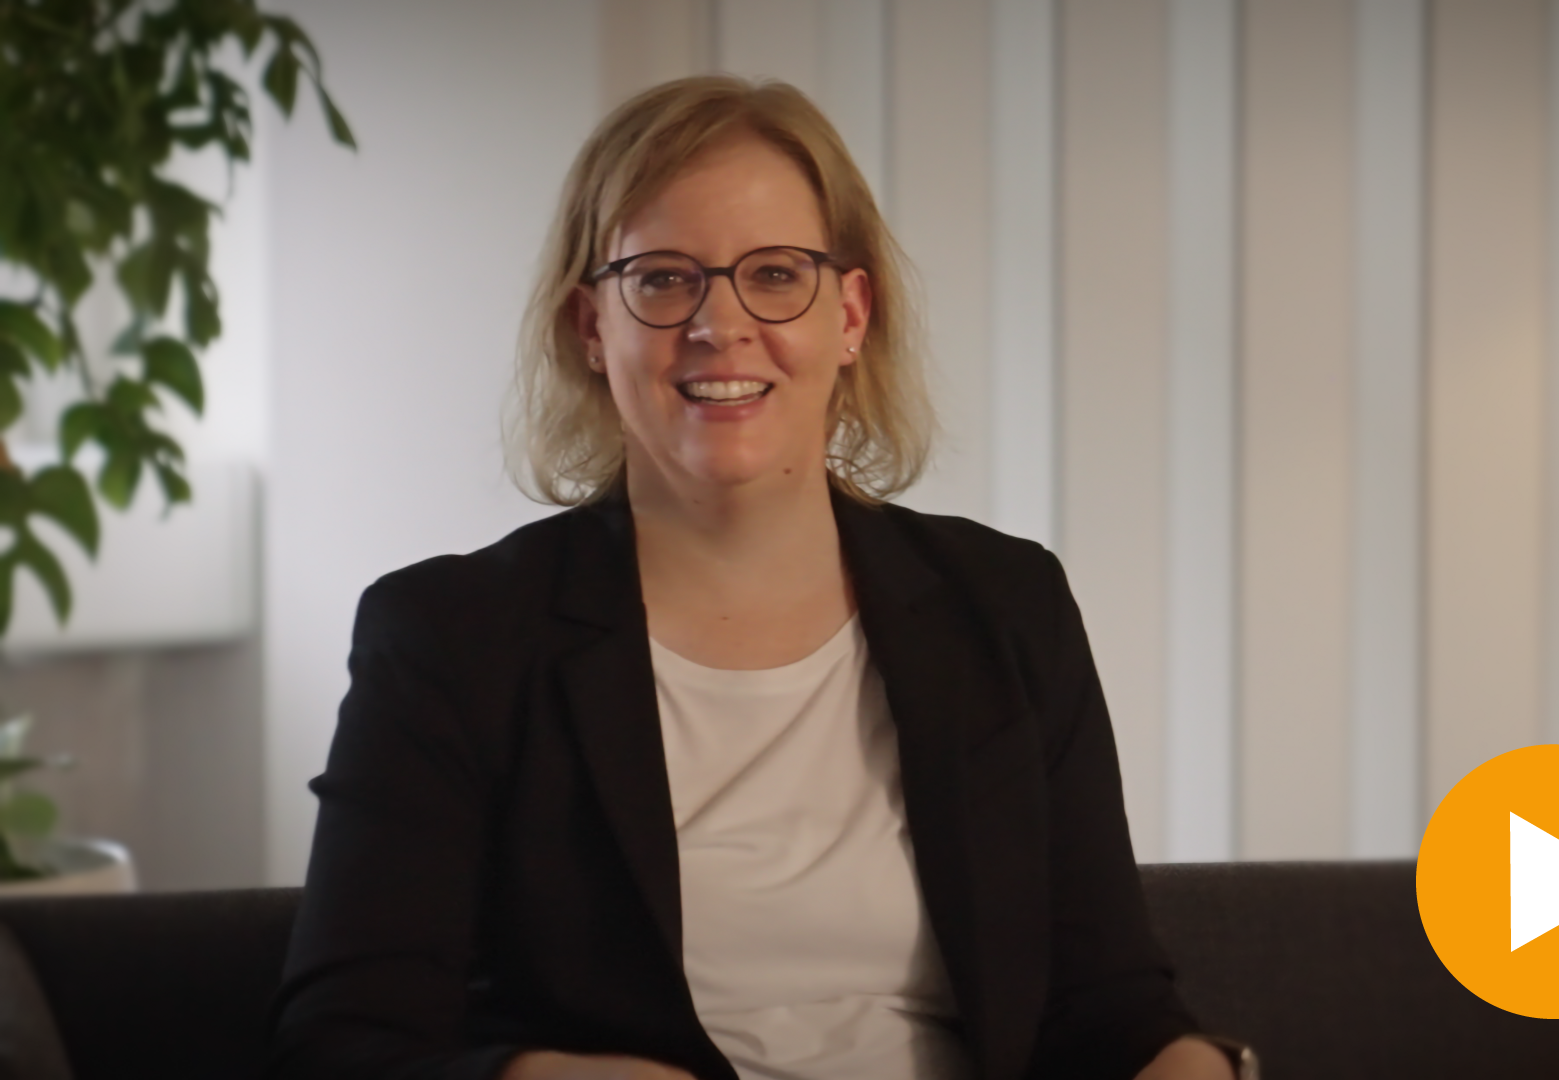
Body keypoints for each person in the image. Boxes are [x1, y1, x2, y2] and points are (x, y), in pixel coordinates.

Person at [266, 76, 1247, 1080]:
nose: (721, 324)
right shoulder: (450, 636)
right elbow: (346, 1045)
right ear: (591, 327)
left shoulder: (1006, 605)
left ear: (850, 315)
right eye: (662, 279)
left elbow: (1112, 1009)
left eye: (776, 274)